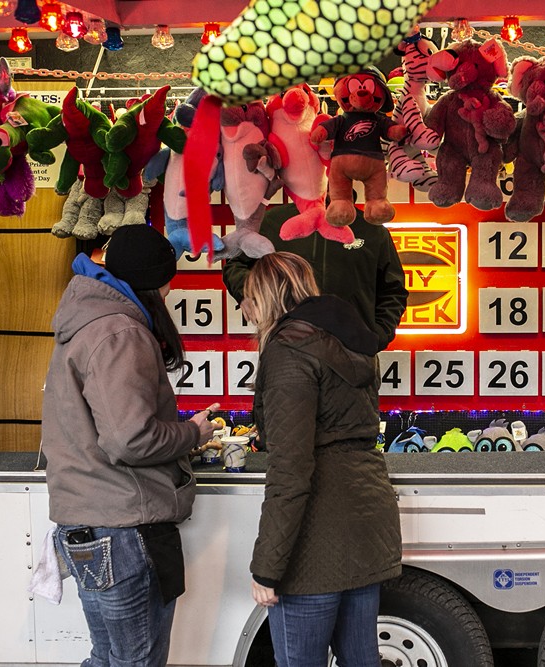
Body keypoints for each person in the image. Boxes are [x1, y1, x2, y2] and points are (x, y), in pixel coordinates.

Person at [41, 224, 219, 667]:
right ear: (154, 282)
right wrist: (193, 433)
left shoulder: (84, 320)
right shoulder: (120, 332)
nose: (170, 291)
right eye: (167, 281)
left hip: (88, 524)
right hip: (123, 529)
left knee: (109, 658)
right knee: (135, 661)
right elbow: (130, 439)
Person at [243, 252, 402, 667]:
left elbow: (290, 469)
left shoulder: (288, 350)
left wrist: (267, 567)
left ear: (266, 298)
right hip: (368, 524)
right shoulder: (353, 338)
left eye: (250, 300)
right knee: (361, 660)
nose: (246, 311)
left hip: (315, 544)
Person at [222, 202, 409, 351]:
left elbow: (393, 290)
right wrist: (248, 293)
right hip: (286, 349)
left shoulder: (371, 230)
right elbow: (236, 264)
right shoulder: (273, 221)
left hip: (354, 354)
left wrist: (378, 336)